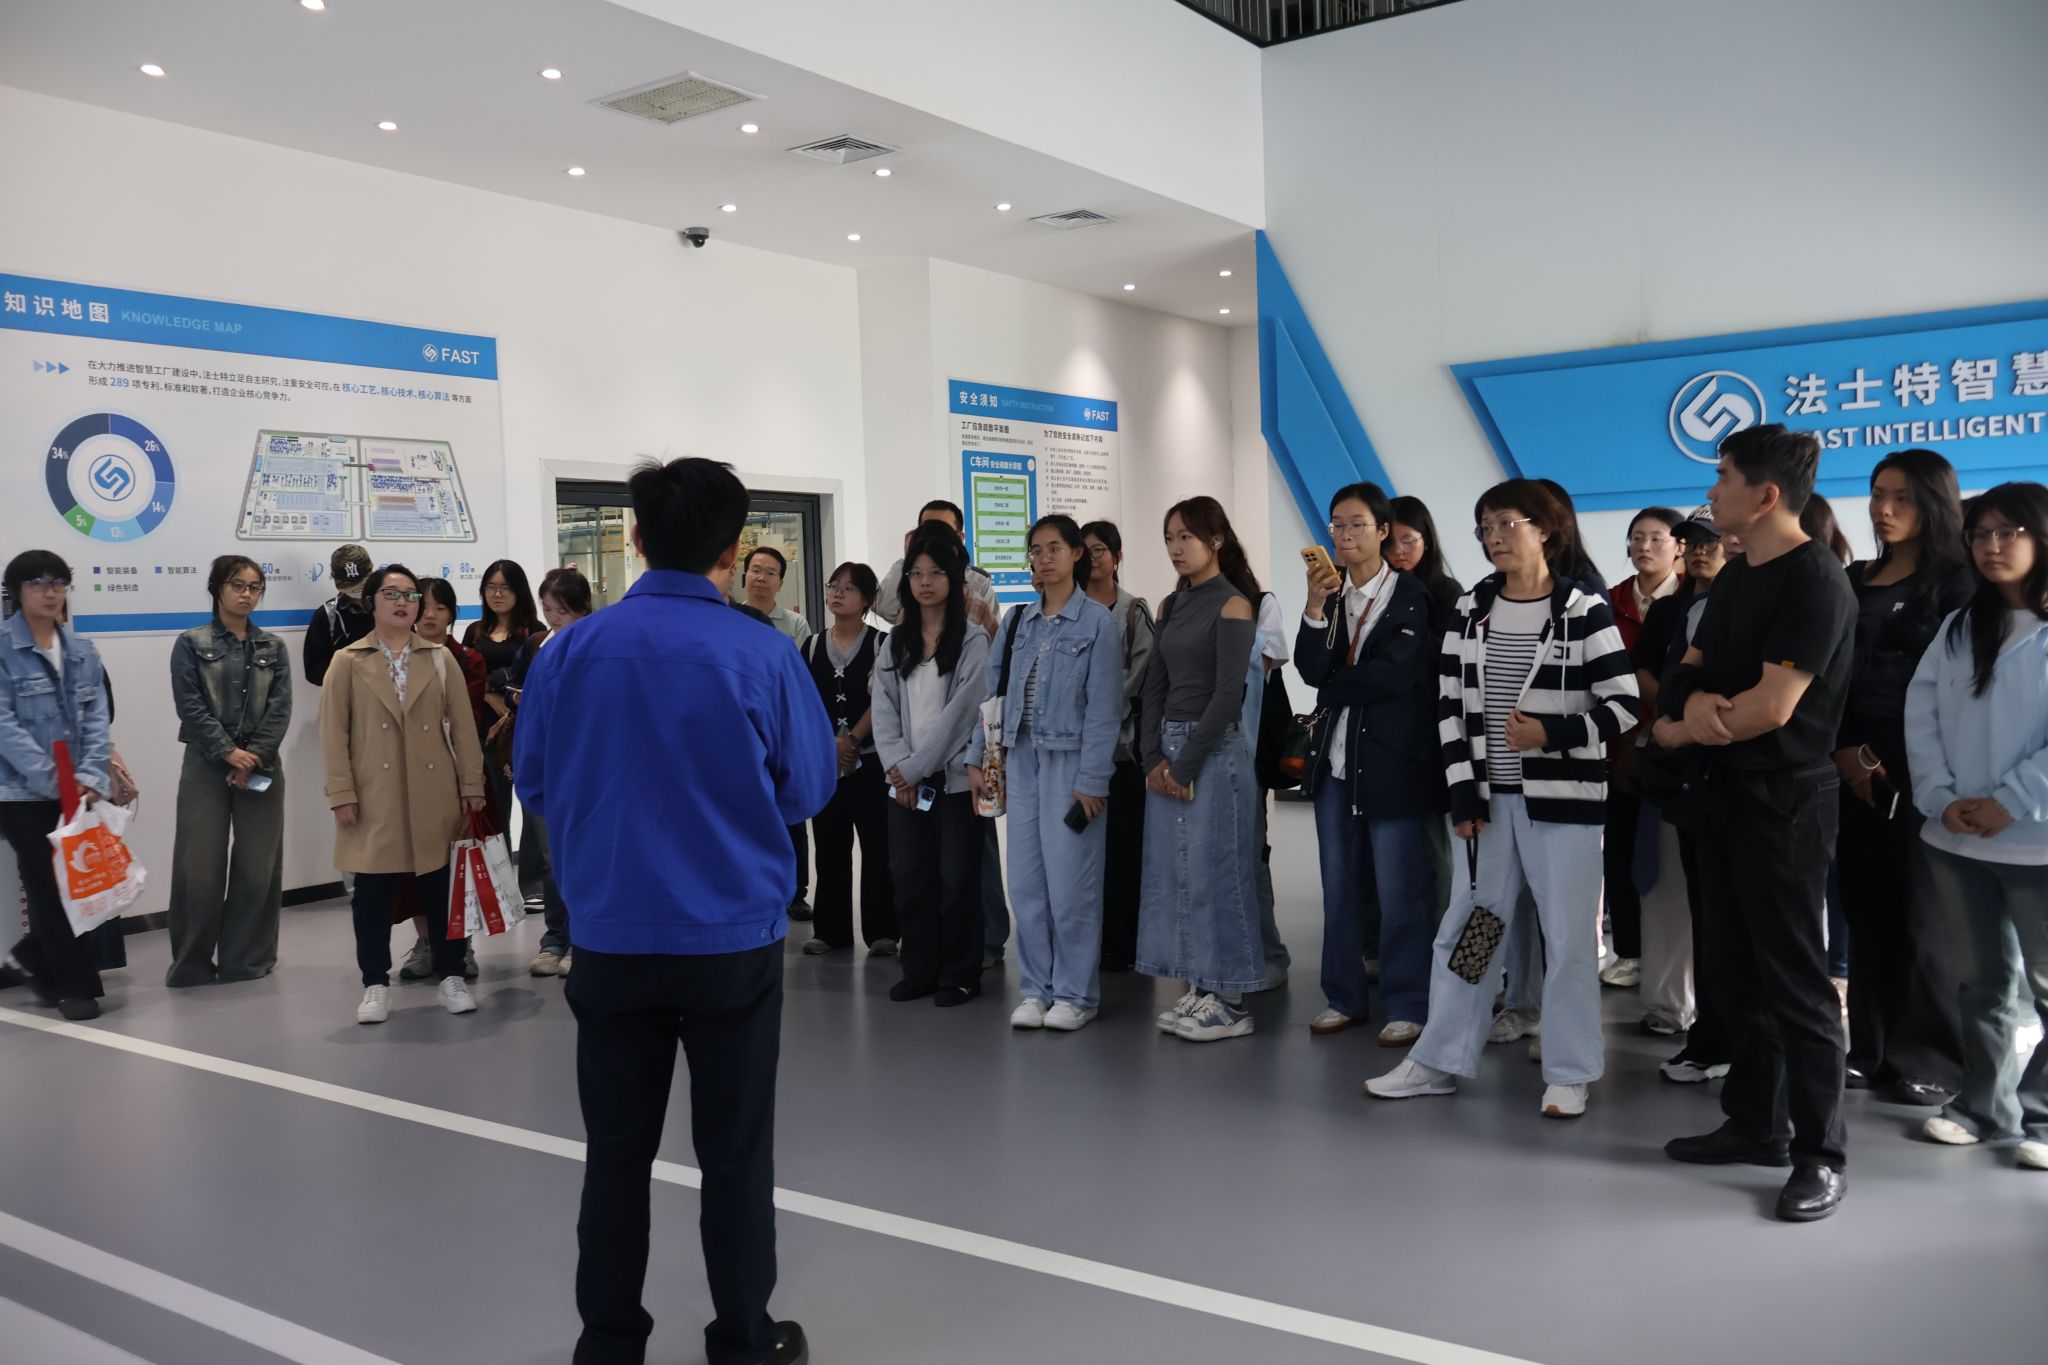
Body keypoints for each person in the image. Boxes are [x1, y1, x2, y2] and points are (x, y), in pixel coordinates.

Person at [515, 457, 833, 1365]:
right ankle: (743, 1339)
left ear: (635, 538)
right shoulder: (763, 652)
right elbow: (808, 787)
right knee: (735, 1152)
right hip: (733, 937)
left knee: (615, 1152)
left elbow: (534, 781)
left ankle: (610, 1342)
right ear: (732, 553)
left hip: (611, 935)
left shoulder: (568, 652)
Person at [1367, 479, 1637, 1118]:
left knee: (1568, 941)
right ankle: (1438, 1060)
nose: (1493, 538)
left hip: (1564, 807)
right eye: (1484, 527)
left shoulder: (1581, 610)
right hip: (1489, 807)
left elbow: (1624, 705)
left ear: (1545, 529)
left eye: (1506, 524)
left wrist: (1552, 733)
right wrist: (1463, 795)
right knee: (1473, 932)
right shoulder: (1471, 609)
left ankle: (1570, 1071)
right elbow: (1448, 709)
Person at [1653, 425, 1858, 1223]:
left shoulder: (1815, 581)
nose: (1712, 492)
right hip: (1724, 793)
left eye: (1724, 477)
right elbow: (1686, 669)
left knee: (1797, 982)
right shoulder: (1738, 574)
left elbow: (1773, 708)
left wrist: (1682, 728)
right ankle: (1756, 1122)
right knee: (1734, 970)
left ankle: (1821, 1154)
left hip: (1786, 802)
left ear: (1767, 495)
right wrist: (1697, 707)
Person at [1904, 482, 2048, 1172]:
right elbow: (1922, 709)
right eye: (1981, 534)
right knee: (1981, 984)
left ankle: (2043, 1113)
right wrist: (1940, 795)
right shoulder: (1964, 624)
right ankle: (1983, 1106)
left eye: (2009, 532)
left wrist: (2011, 799)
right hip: (1958, 838)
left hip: (2037, 841)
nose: (1993, 546)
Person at [1836, 449, 1973, 1106]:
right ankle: (1869, 1048)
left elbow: (1958, 688)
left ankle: (1932, 1058)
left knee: (1923, 913)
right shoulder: (1854, 578)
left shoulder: (1958, 584)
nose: (1884, 510)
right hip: (1848, 760)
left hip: (1923, 763)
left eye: (1902, 498)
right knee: (1865, 908)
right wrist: (1846, 749)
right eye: (1877, 494)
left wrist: (1892, 755)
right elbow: (1829, 674)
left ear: (1933, 504)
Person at [1295, 482, 1445, 1046]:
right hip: (1335, 762)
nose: (1344, 535)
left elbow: (1394, 674)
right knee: (1339, 887)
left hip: (1392, 762)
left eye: (1356, 524)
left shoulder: (1410, 594)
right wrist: (1314, 608)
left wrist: (1334, 684)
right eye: (1337, 524)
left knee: (1402, 889)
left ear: (1382, 531)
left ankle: (1407, 1001)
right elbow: (1311, 669)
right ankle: (1343, 996)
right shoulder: (1332, 595)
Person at [968, 515, 1122, 1031]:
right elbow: (992, 697)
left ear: (1077, 554)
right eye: (1036, 550)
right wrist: (977, 758)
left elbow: (1104, 710)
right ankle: (1036, 989)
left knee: (1072, 886)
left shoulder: (1098, 623)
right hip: (1020, 759)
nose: (1044, 558)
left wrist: (1093, 780)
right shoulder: (1017, 622)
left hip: (1071, 763)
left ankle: (1076, 995)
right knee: (1027, 885)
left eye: (1054, 548)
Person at [320, 564, 488, 1025]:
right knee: (373, 893)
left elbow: (464, 729)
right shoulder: (347, 660)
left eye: (411, 595)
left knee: (441, 888)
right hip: (373, 793)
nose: (403, 602)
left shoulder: (439, 657)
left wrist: (471, 786)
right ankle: (375, 983)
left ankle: (451, 974)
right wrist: (341, 792)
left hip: (434, 790)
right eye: (392, 594)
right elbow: (333, 733)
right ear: (371, 602)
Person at [1139, 496, 1263, 1042]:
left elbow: (1228, 696)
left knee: (1219, 875)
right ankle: (1202, 983)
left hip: (1212, 751)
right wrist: (1152, 757)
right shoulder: (1170, 605)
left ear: (1216, 540)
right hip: (1171, 749)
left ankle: (1230, 998)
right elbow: (1155, 684)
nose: (1175, 547)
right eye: (1169, 537)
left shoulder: (1234, 604)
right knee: (1179, 876)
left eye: (1186, 536)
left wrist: (1184, 764)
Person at [871, 501, 1007, 965]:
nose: (925, 582)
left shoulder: (972, 633)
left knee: (959, 877)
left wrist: (911, 769)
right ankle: (920, 968)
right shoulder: (897, 639)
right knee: (910, 876)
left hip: (951, 777)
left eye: (935, 572)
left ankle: (964, 968)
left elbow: (963, 713)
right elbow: (884, 707)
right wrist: (899, 767)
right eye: (916, 573)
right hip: (905, 777)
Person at [165, 556, 292, 988]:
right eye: (238, 585)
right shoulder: (190, 642)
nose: (246, 594)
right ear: (217, 588)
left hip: (262, 765)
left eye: (255, 587)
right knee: (198, 866)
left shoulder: (273, 646)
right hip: (205, 765)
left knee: (259, 866)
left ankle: (246, 961)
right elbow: (190, 704)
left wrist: (251, 755)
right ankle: (191, 964)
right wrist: (227, 752)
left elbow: (280, 708)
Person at [0, 550, 112, 1020]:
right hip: (21, 793)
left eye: (59, 583)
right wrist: (53, 779)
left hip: (77, 788)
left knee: (79, 885)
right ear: (17, 590)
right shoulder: (4, 649)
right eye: (39, 583)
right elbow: (4, 726)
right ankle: (75, 986)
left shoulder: (83, 650)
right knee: (47, 886)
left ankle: (31, 959)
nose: (50, 592)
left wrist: (90, 776)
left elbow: (98, 718)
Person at [1630, 508, 1726, 1050]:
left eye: (1712, 541)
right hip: (1668, 757)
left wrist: (1690, 714)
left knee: (1719, 897)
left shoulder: (1746, 604)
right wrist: (1672, 705)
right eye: (1693, 542)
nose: (1701, 550)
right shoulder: (1670, 609)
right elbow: (1642, 670)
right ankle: (1669, 1006)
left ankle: (1720, 1017)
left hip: (1723, 760)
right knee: (1664, 885)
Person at [1599, 507, 1687, 991]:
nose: (1645, 546)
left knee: (1669, 861)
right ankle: (1630, 951)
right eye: (1637, 537)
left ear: (1678, 547)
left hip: (1674, 744)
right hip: (1620, 746)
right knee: (1620, 852)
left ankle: (1674, 964)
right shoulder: (1608, 602)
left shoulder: (1693, 600)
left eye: (1657, 537)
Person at [388, 577, 491, 985]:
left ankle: (461, 945)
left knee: (460, 864)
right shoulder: (396, 658)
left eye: (440, 608)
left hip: (458, 775)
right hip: (409, 779)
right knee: (414, 869)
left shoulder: (466, 658)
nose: (430, 615)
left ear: (452, 614)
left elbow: (469, 720)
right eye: (424, 606)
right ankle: (426, 943)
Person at [799, 562, 897, 957]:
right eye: (833, 586)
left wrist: (853, 738)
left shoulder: (882, 643)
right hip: (826, 763)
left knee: (877, 846)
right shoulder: (811, 646)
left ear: (867, 599)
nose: (838, 593)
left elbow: (886, 699)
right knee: (829, 846)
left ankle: (883, 932)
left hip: (871, 761)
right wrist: (830, 743)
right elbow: (802, 703)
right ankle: (831, 931)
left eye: (849, 588)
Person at [1080, 520, 1154, 973]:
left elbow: (1139, 674)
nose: (1093, 558)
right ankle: (1084, 941)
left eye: (1100, 550)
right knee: (1082, 853)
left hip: (1121, 750)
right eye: (1085, 550)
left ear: (1117, 556)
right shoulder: (1067, 608)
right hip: (1076, 751)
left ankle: (1122, 944)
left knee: (1124, 851)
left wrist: (1097, 710)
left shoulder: (1132, 612)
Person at [520, 566, 593, 978]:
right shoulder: (539, 646)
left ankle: (583, 939)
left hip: (588, 772)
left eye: (562, 610)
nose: (553, 618)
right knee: (553, 862)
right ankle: (555, 937)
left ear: (583, 608)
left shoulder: (597, 644)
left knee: (585, 860)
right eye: (548, 609)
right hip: (551, 772)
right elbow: (530, 716)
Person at [462, 560, 538, 858]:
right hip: (487, 733)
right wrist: (489, 695)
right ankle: (500, 876)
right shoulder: (475, 632)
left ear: (519, 591)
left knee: (533, 812)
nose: (497, 594)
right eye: (490, 587)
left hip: (525, 730)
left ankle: (532, 879)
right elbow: (466, 677)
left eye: (504, 587)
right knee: (495, 809)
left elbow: (536, 681)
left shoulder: (534, 631)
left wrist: (502, 696)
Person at [1388, 495, 1463, 633]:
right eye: (1389, 542)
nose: (1398, 550)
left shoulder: (1448, 592)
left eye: (1407, 541)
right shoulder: (1377, 588)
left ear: (1426, 540)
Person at [302, 543, 375, 687]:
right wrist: (353, 671)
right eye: (351, 585)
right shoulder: (326, 615)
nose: (357, 591)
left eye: (360, 583)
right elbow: (314, 671)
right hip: (346, 694)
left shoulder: (391, 605)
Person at [739, 546, 812, 647]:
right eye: (756, 571)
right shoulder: (730, 618)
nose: (762, 578)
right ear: (744, 576)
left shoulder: (796, 624)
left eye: (770, 573)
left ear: (780, 584)